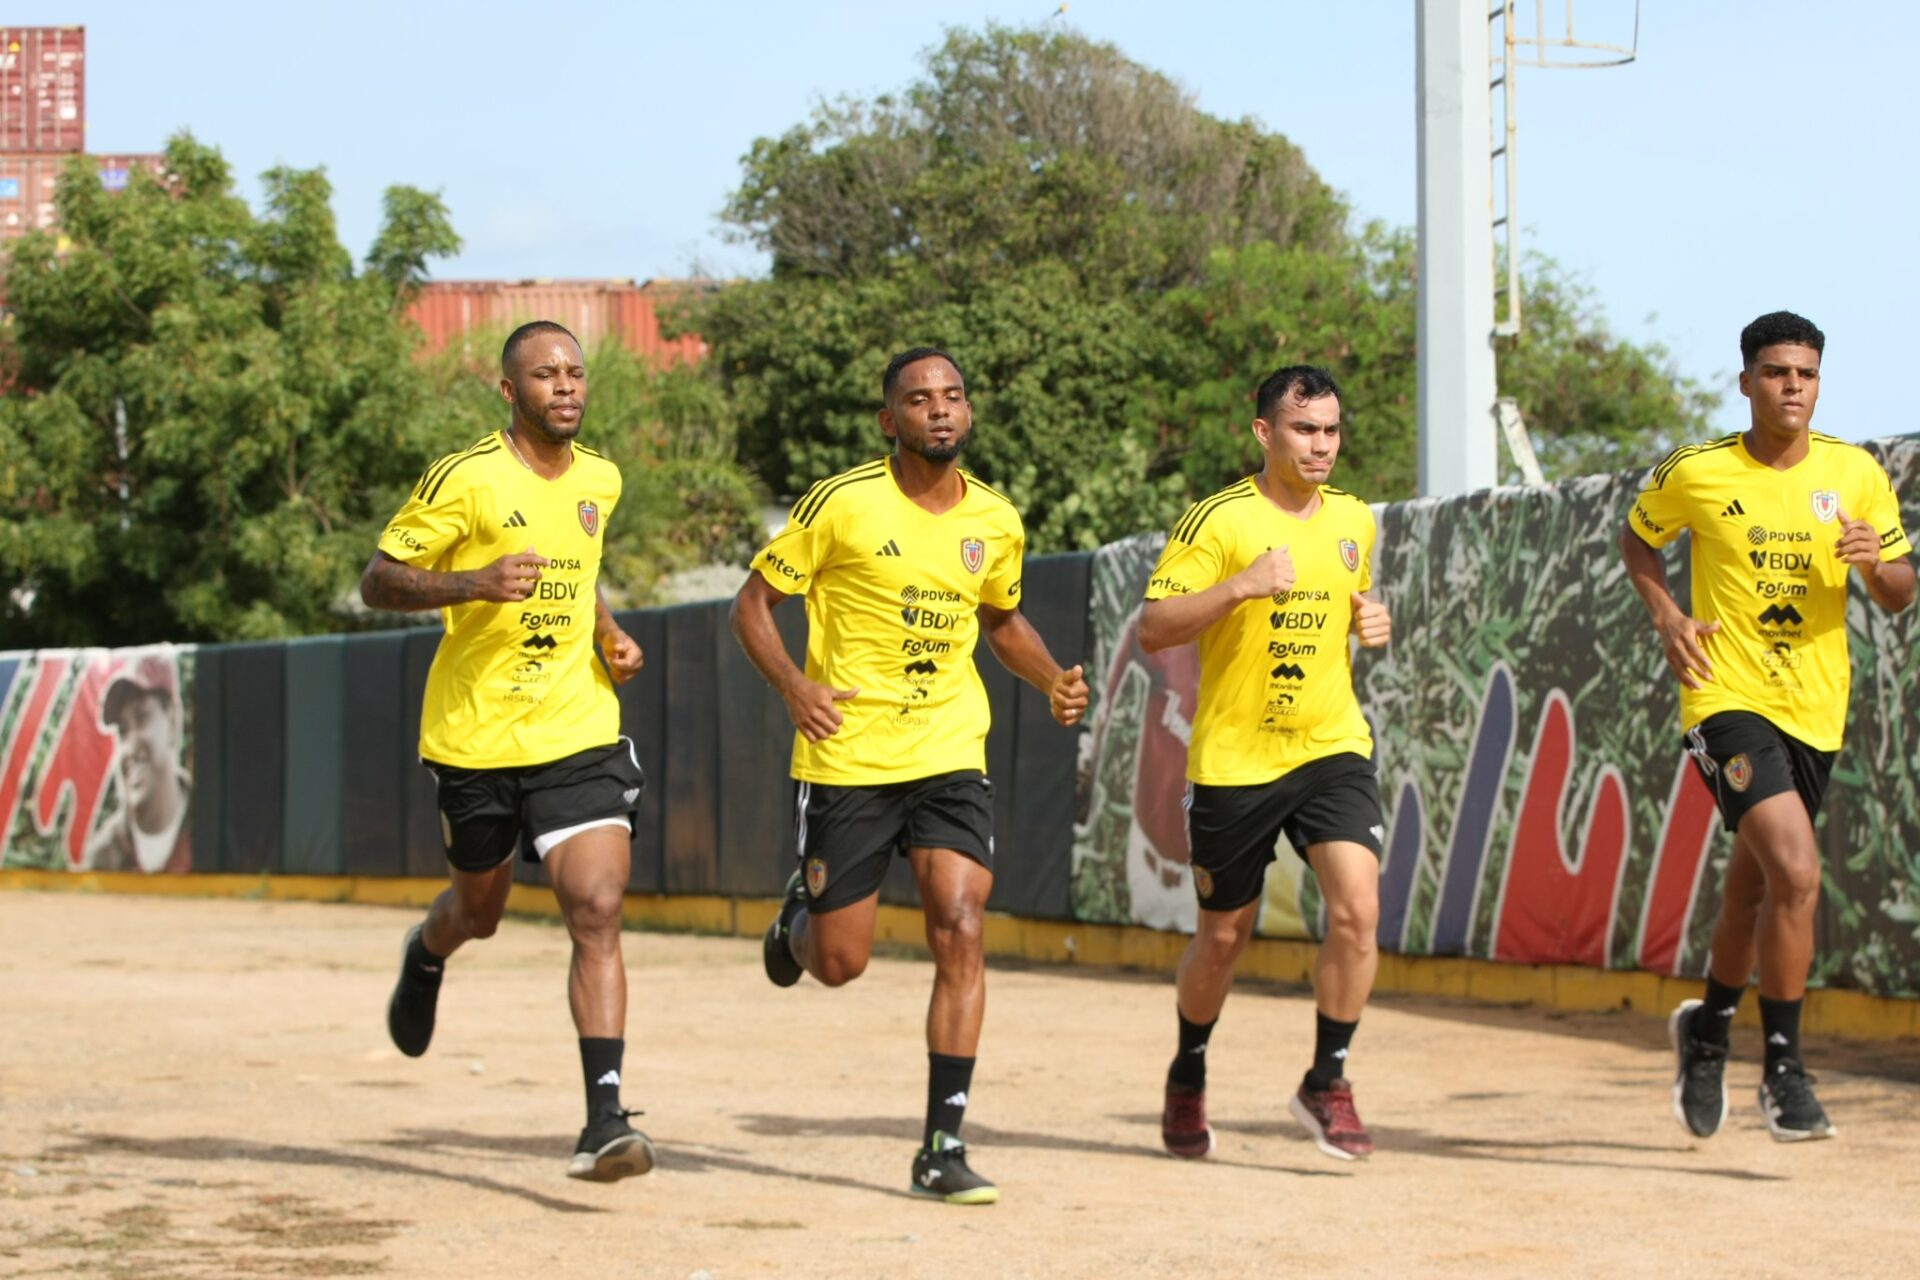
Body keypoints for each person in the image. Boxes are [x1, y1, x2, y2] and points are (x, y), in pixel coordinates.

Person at [729, 347, 1089, 1205]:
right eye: (920, 399)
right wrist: (795, 686)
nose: (940, 409)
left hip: (949, 751)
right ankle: (796, 926)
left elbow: (1001, 620)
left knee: (961, 922)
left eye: (953, 395)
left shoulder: (995, 518)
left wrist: (1050, 679)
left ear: (968, 412)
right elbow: (750, 606)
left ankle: (942, 1146)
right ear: (889, 420)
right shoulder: (841, 503)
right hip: (850, 757)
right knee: (841, 963)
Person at [360, 320, 653, 1182]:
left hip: (577, 729)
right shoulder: (466, 478)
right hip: (476, 737)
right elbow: (378, 580)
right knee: (478, 912)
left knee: (596, 905)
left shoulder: (601, 478)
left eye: (575, 373)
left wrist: (608, 633)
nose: (565, 386)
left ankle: (605, 1120)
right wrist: (473, 583)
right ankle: (427, 952)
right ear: (508, 390)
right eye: (544, 375)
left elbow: (580, 570)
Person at [1621, 311, 1913, 1142]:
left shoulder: (1854, 473)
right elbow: (1638, 543)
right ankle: (1785, 1071)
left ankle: (1709, 1028)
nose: (1793, 387)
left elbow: (1901, 591)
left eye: (1807, 374)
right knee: (1796, 870)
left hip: (1816, 709)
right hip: (1724, 698)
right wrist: (1668, 616)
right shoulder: (1698, 471)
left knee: (1754, 889)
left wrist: (1876, 565)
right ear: (1746, 380)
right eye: (1778, 372)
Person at [1138, 365, 1392, 1162]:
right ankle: (1188, 1071)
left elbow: (1351, 602)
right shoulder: (1218, 520)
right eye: (1304, 429)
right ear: (1264, 433)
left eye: (1331, 430)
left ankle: (1327, 1080)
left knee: (1358, 912)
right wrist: (1241, 586)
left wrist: (1369, 622)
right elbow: (1154, 626)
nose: (1322, 445)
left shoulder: (1355, 520)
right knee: (1223, 938)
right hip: (1236, 761)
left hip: (1330, 747)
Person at [87, 651, 192, 874]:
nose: (130, 748)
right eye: (123, 730)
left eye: (142, 717)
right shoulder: (102, 855)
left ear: (173, 721)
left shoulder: (214, 833)